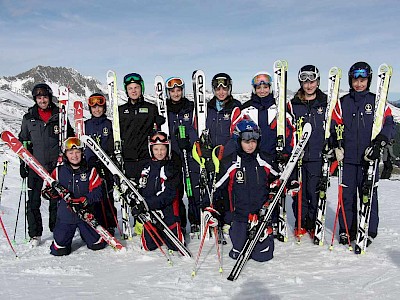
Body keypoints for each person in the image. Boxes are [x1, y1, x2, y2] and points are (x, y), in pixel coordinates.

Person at [332, 61, 395, 246]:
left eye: (363, 79)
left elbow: (390, 124)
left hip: (369, 158)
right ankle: (347, 230)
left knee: (368, 195)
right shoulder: (343, 103)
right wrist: (337, 144)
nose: (359, 83)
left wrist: (379, 143)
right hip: (349, 159)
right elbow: (335, 125)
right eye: (355, 79)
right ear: (351, 81)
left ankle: (368, 229)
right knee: (347, 196)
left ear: (369, 80)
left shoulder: (377, 102)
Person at [240, 72, 296, 237]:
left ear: (270, 88)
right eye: (259, 87)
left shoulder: (279, 107)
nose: (262, 90)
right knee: (257, 191)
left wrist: (286, 152)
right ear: (254, 89)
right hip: (254, 157)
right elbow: (238, 133)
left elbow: (290, 132)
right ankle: (258, 221)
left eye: (265, 87)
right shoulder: (247, 109)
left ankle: (276, 221)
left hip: (275, 156)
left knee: (275, 190)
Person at [19, 83, 74, 247]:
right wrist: (24, 163)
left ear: (50, 98)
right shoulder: (29, 118)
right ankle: (35, 234)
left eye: (45, 97)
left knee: (55, 200)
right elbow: (24, 140)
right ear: (35, 99)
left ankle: (56, 228)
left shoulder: (59, 115)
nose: (42, 100)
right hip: (36, 164)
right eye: (39, 97)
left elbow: (69, 136)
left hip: (56, 165)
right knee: (33, 200)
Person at [215, 119, 276, 262]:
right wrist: (212, 209)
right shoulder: (230, 163)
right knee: (239, 254)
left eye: (254, 141)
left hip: (260, 217)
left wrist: (288, 183)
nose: (250, 145)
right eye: (246, 141)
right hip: (239, 217)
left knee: (263, 256)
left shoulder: (264, 160)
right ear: (238, 140)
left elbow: (280, 178)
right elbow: (217, 188)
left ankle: (264, 235)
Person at [42, 137, 107, 256]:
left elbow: (97, 193)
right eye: (71, 153)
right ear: (65, 154)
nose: (74, 156)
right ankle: (62, 237)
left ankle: (86, 234)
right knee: (60, 250)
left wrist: (84, 201)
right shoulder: (58, 171)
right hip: (65, 216)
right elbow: (48, 189)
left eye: (77, 152)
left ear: (82, 153)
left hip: (85, 214)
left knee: (97, 244)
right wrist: (49, 193)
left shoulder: (90, 171)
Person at [290, 65, 328, 237]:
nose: (309, 85)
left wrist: (333, 146)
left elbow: (334, 127)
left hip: (317, 156)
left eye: (312, 81)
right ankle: (300, 223)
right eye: (305, 82)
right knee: (299, 193)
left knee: (314, 191)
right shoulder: (293, 104)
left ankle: (313, 223)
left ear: (318, 82)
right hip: (298, 157)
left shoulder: (326, 102)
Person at [130, 132, 184, 251]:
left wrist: (146, 204)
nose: (159, 152)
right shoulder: (146, 167)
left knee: (175, 246)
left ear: (167, 149)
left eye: (162, 149)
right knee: (149, 246)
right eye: (156, 149)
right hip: (152, 213)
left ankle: (172, 230)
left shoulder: (171, 168)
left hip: (167, 212)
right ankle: (156, 232)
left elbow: (168, 195)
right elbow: (141, 188)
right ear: (151, 150)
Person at [205, 73, 241, 229]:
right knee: (213, 188)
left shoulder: (235, 107)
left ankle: (227, 220)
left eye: (224, 88)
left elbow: (237, 134)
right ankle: (214, 218)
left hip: (228, 156)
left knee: (228, 188)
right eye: (218, 88)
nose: (221, 92)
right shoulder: (208, 107)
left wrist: (224, 151)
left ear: (229, 89)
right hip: (210, 156)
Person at [165, 77, 199, 234]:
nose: (176, 93)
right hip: (173, 156)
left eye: (178, 90)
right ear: (168, 92)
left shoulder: (190, 107)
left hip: (189, 154)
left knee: (192, 188)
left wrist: (190, 141)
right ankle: (180, 221)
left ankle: (195, 220)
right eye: (173, 91)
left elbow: (196, 127)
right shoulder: (164, 109)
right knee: (176, 190)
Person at [119, 73, 164, 181]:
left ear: (141, 88)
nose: (133, 91)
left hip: (146, 158)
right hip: (128, 159)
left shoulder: (151, 108)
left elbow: (158, 132)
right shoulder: (120, 111)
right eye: (130, 88)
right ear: (126, 91)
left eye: (136, 87)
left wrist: (160, 121)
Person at [84, 93, 117, 235]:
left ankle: (110, 224)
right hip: (90, 165)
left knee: (107, 194)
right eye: (94, 107)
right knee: (94, 195)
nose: (97, 110)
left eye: (100, 107)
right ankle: (96, 222)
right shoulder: (85, 125)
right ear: (90, 109)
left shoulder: (109, 124)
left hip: (107, 164)